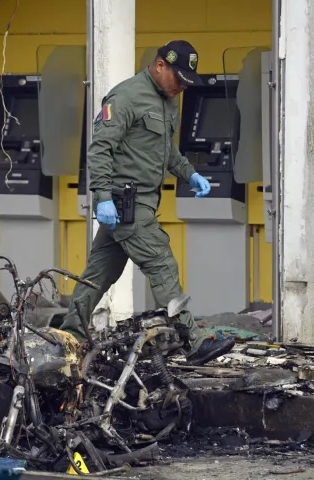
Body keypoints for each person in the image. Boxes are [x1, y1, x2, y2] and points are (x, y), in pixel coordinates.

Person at [59, 40, 235, 366]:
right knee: (161, 262)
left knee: (99, 273)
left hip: (140, 202)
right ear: (159, 66)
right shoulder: (126, 97)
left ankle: (70, 337)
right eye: (178, 78)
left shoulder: (167, 101)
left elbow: (166, 151)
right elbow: (100, 149)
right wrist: (101, 198)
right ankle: (192, 342)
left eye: (187, 82)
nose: (182, 86)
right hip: (126, 203)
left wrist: (189, 173)